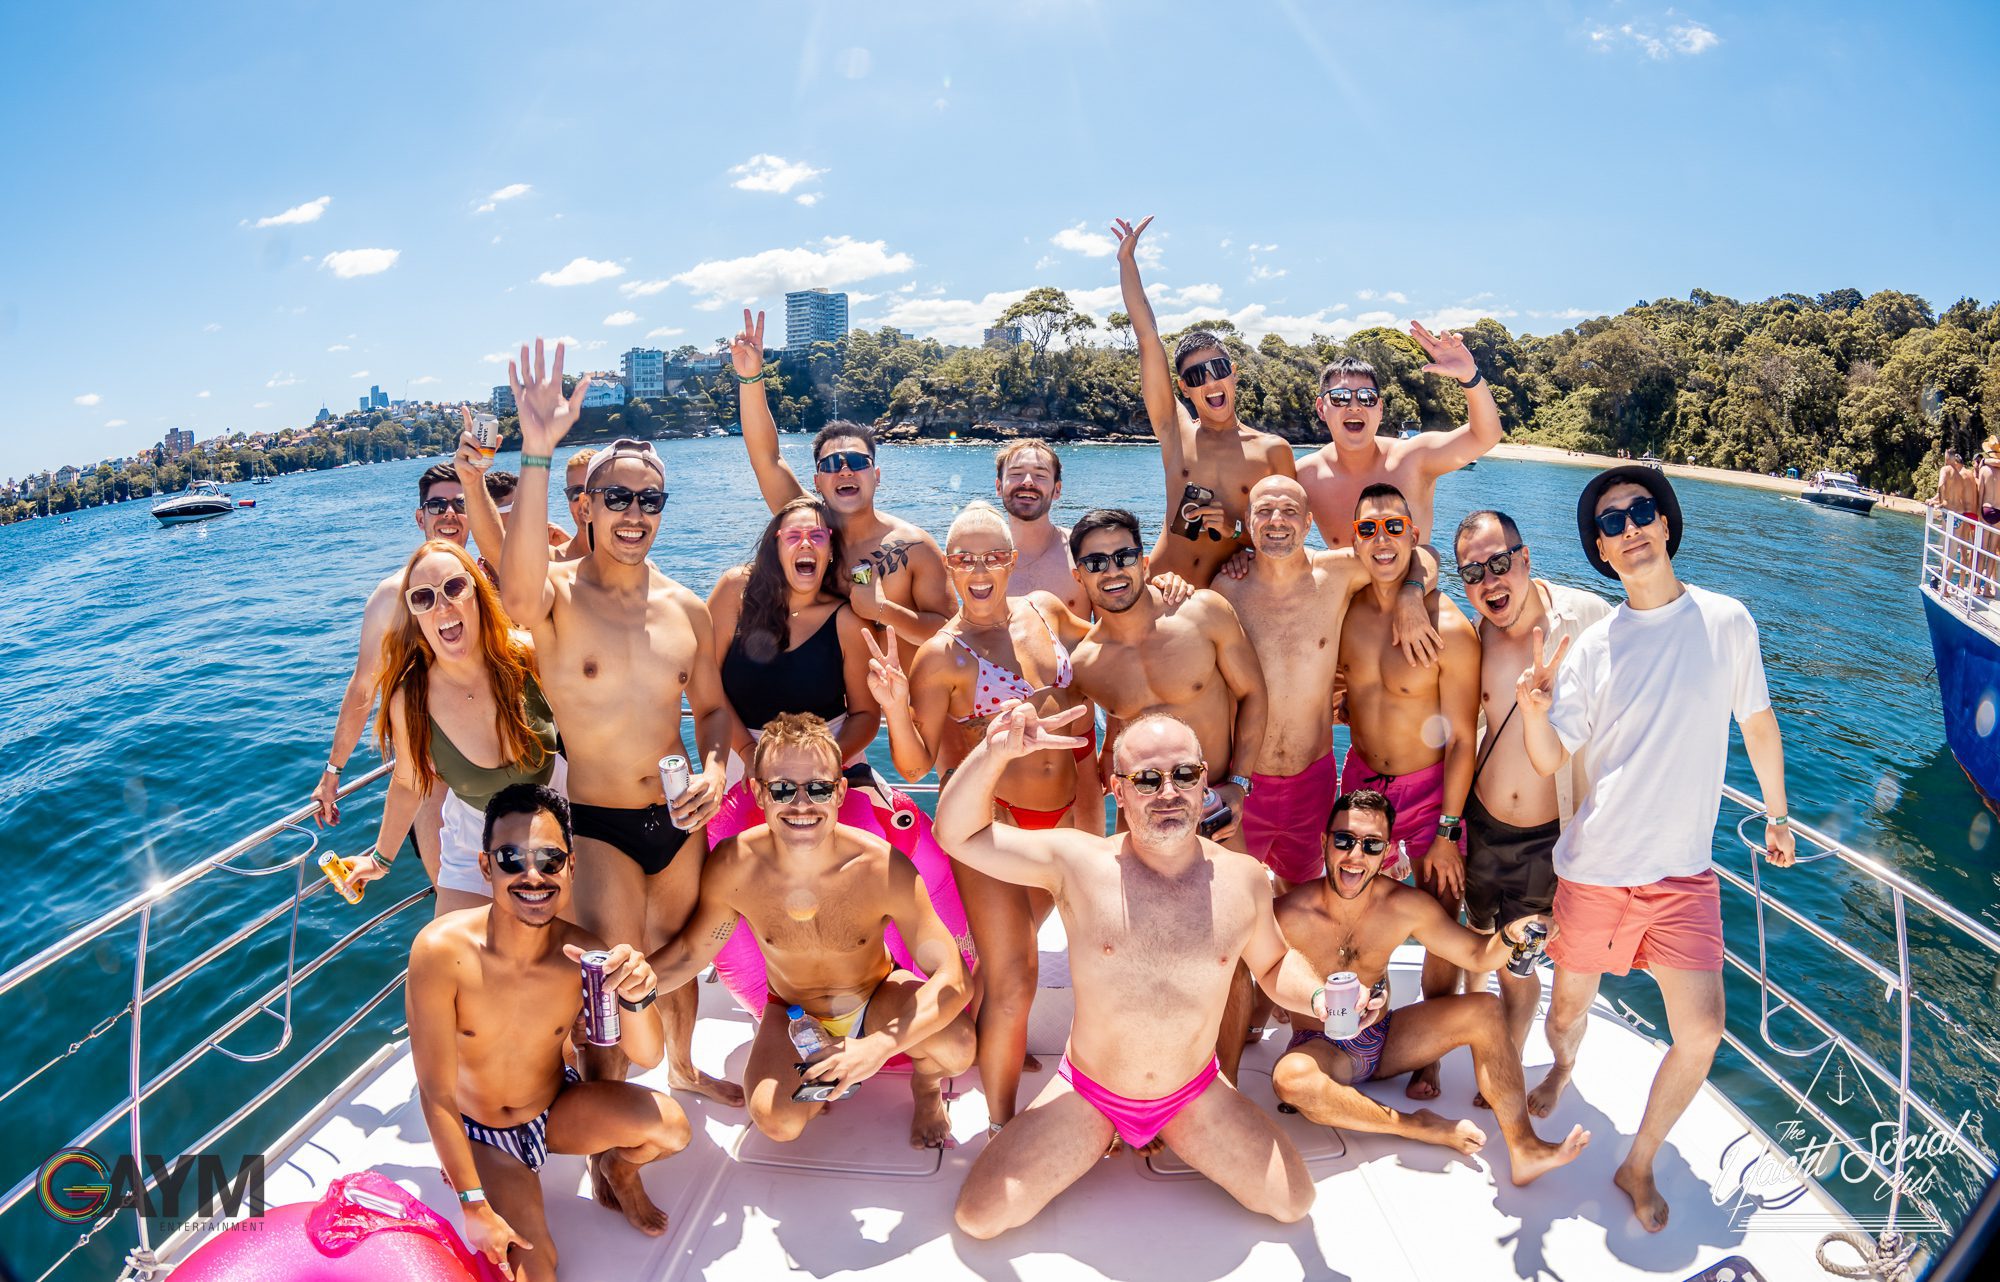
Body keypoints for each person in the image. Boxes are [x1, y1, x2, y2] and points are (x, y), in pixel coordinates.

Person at [1516, 465, 1796, 1233]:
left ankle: (1637, 1161)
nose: (1630, 527)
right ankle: (1564, 1067)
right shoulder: (1595, 648)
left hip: (1683, 878)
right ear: (1602, 552)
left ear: (1666, 524)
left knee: (1701, 1032)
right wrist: (1534, 710)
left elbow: (1758, 723)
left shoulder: (1727, 621)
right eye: (1611, 522)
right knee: (1566, 1012)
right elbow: (1549, 758)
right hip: (1596, 870)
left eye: (1641, 511)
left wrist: (1777, 815)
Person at [939, 706, 1333, 1238]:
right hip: (1090, 1092)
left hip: (1192, 1092)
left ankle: (1170, 1129)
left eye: (1184, 775)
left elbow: (1275, 963)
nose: (1168, 791)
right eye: (1147, 779)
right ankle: (1106, 1133)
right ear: (1118, 791)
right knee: (979, 1217)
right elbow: (957, 835)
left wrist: (1319, 998)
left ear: (1204, 784)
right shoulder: (1077, 863)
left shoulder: (1244, 879)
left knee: (1294, 1202)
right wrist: (994, 753)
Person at [497, 339, 742, 1131]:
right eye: (618, 498)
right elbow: (513, 594)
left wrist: (714, 769)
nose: (634, 515)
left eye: (649, 501)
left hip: (677, 818)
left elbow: (712, 710)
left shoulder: (685, 608)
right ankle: (611, 1153)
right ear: (588, 507)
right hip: (599, 824)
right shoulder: (556, 596)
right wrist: (538, 451)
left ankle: (686, 1069)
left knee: (676, 960)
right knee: (610, 981)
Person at [867, 501, 1099, 1132]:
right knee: (1017, 978)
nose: (978, 569)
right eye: (964, 558)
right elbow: (915, 764)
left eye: (992, 556)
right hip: (990, 830)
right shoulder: (941, 655)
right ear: (948, 564)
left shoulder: (1045, 611)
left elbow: (1109, 641)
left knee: (1000, 974)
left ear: (1011, 561)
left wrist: (1163, 590)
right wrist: (894, 707)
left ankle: (967, 1055)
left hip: (1062, 824)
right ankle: (1001, 1128)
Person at [647, 714, 976, 1150]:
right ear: (758, 792)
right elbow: (692, 953)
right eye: (783, 789)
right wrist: (635, 981)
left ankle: (927, 1087)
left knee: (958, 1047)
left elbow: (954, 979)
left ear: (839, 792)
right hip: (792, 1012)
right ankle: (820, 1083)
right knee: (777, 1123)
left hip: (875, 995)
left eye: (818, 788)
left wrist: (878, 1046)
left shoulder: (882, 868)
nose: (801, 805)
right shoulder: (734, 866)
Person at [699, 495, 971, 1018]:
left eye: (818, 536)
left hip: (830, 765)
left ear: (829, 553)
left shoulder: (845, 620)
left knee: (914, 858)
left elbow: (866, 715)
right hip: (745, 758)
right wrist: (753, 756)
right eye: (793, 534)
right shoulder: (735, 591)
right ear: (775, 544)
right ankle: (782, 1013)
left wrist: (818, 767)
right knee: (722, 873)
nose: (806, 543)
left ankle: (915, 1001)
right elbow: (707, 687)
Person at [407, 783, 691, 1279]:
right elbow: (435, 1093)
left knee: (672, 1129)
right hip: (483, 1135)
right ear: (486, 867)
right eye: (511, 858)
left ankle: (618, 1169)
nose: (532, 875)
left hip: (554, 1110)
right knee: (536, 1271)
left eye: (549, 859)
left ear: (571, 866)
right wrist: (473, 1204)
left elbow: (647, 1055)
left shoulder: (583, 954)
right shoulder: (441, 951)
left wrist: (637, 993)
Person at [1271, 789, 1589, 1184]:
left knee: (1484, 1008)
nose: (1355, 854)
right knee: (1291, 1078)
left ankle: (1525, 1147)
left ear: (1387, 852)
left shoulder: (1403, 906)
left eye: (1371, 845)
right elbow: (1257, 972)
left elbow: (1475, 955)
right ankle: (1417, 1125)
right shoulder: (1287, 913)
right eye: (1344, 840)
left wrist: (1510, 934)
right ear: (1324, 841)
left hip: (1385, 1040)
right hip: (1321, 1048)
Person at [1212, 476, 1439, 890]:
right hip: (1245, 779)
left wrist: (1410, 592)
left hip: (1312, 783)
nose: (1276, 520)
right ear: (1248, 520)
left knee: (1301, 894)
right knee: (1233, 896)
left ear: (1308, 522)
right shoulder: (1226, 588)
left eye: (1289, 511)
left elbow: (1421, 552)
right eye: (1264, 511)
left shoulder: (1338, 573)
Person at [1449, 509, 1610, 1092]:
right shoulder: (1474, 636)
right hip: (1482, 823)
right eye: (1473, 573)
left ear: (1525, 558)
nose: (1490, 581)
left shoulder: (1587, 618)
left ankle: (1506, 1071)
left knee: (1518, 966)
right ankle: (1472, 1043)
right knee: (1475, 945)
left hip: (1547, 837)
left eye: (1499, 563)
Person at [1336, 482, 1480, 1100]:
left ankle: (1430, 1052)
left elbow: (1464, 739)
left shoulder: (1451, 628)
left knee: (1441, 918)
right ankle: (1363, 1029)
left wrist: (1448, 829)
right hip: (1361, 779)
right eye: (1368, 529)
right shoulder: (1343, 609)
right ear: (1353, 539)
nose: (1382, 539)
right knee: (1357, 911)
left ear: (1414, 535)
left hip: (1429, 790)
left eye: (1394, 527)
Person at [309, 439, 505, 871]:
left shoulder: (494, 581)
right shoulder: (391, 597)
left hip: (504, 759)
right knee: (450, 887)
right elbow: (363, 686)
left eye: (460, 503)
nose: (449, 514)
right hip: (432, 770)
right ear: (421, 518)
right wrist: (334, 770)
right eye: (437, 506)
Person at [343, 539, 562, 916]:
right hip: (474, 842)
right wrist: (379, 859)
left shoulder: (527, 656)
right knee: (441, 946)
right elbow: (409, 782)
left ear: (477, 592)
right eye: (423, 598)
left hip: (557, 826)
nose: (442, 606)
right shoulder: (411, 699)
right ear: (414, 616)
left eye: (454, 587)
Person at [729, 309, 954, 647]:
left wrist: (883, 610)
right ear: (818, 481)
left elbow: (952, 635)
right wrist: (750, 378)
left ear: (876, 476)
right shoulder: (808, 530)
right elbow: (767, 458)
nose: (845, 470)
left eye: (857, 462)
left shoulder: (915, 547)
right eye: (832, 464)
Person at [1111, 216, 1296, 587]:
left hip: (1220, 600)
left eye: (1218, 369)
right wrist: (1126, 261)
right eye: (1197, 376)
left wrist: (1235, 531)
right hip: (1161, 588)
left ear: (1233, 373)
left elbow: (1287, 535)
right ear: (1184, 388)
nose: (1210, 381)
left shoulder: (1273, 451)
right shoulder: (1175, 432)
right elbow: (1147, 336)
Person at [1293, 341, 1502, 551]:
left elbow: (1484, 436)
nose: (1354, 407)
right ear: (1321, 408)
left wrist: (1470, 376)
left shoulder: (1414, 459)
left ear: (1380, 409)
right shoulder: (1305, 476)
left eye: (1367, 397)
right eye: (1340, 397)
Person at [994, 439, 1088, 616]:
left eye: (1040, 475)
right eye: (1016, 473)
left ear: (1057, 490)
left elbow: (1113, 627)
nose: (1028, 482)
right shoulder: (981, 558)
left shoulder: (1082, 551)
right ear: (999, 486)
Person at [558, 447, 596, 561]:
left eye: (592, 491)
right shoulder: (552, 563)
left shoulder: (636, 564)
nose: (584, 502)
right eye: (575, 493)